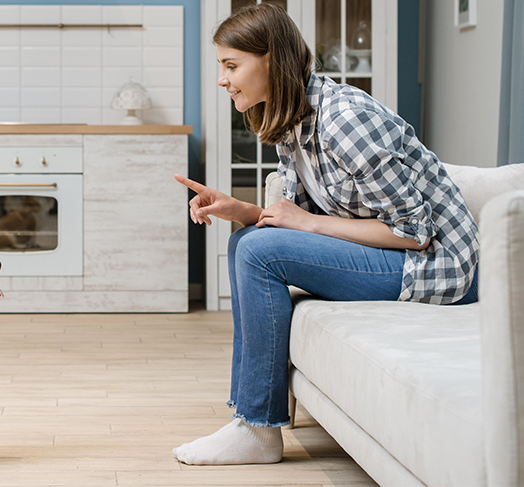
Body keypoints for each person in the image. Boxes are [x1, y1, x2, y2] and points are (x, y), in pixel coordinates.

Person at [172, 3, 479, 466]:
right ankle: (250, 421)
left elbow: (414, 233)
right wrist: (247, 211)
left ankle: (256, 429)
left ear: (272, 60)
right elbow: (303, 216)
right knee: (245, 240)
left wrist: (305, 222)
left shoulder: (343, 118)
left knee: (255, 251)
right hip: (400, 255)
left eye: (231, 65)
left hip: (436, 268)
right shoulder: (294, 122)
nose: (222, 79)